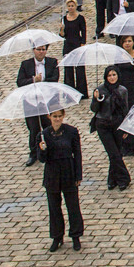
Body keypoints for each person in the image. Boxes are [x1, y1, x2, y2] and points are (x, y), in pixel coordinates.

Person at [38, 108, 83, 252]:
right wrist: (42, 149)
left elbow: (77, 154)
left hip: (68, 172)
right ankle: (57, 237)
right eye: (54, 116)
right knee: (54, 208)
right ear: (49, 117)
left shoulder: (71, 132)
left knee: (73, 206)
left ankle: (76, 236)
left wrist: (78, 175)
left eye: (59, 116)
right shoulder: (43, 135)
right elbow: (42, 159)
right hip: (52, 174)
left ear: (63, 116)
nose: (57, 119)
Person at [16, 44, 58, 166]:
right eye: (38, 50)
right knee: (34, 129)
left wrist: (43, 81)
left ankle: (49, 151)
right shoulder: (26, 64)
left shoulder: (52, 62)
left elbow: (55, 79)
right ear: (33, 50)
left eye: (43, 50)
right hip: (31, 101)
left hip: (46, 100)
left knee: (47, 126)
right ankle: (34, 153)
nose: (41, 52)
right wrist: (34, 80)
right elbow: (20, 82)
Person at [89, 67, 130, 190]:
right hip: (103, 124)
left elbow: (125, 110)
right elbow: (94, 109)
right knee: (113, 152)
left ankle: (112, 179)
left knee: (117, 153)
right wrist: (96, 99)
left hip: (117, 124)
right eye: (109, 75)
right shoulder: (100, 90)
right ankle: (124, 178)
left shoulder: (122, 90)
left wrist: (125, 128)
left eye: (114, 75)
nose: (112, 77)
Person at [58, 0, 88, 97]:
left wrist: (83, 44)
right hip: (68, 44)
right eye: (69, 6)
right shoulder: (64, 18)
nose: (71, 8)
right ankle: (69, 91)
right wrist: (61, 30)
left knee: (79, 69)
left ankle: (82, 91)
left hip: (77, 43)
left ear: (75, 6)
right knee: (68, 69)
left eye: (72, 6)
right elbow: (62, 35)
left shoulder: (80, 18)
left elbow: (83, 32)